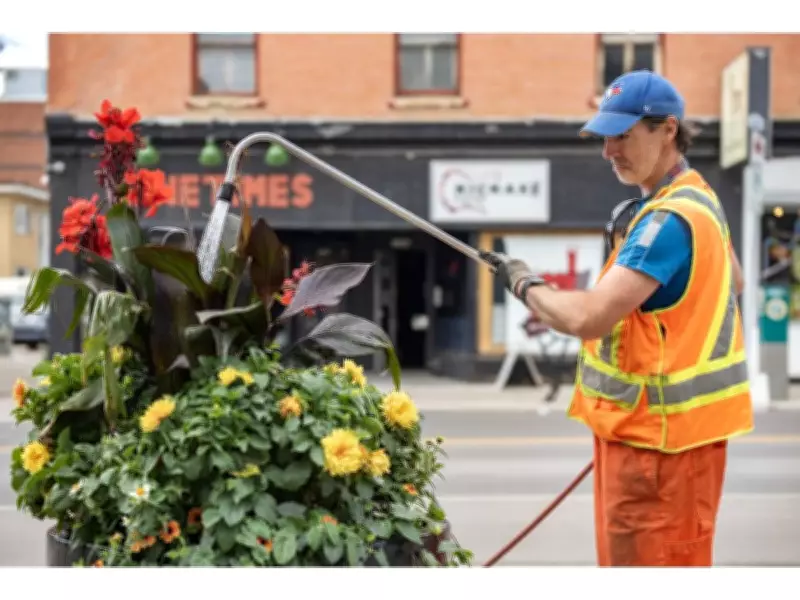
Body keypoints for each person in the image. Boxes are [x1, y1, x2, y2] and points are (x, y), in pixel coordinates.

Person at [480, 70, 754, 567]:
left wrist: (524, 282)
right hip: (665, 441)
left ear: (667, 129)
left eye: (623, 136)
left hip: (659, 452)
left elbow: (589, 318)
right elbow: (733, 281)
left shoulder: (667, 221)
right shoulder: (698, 199)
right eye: (605, 138)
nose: (609, 152)